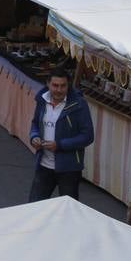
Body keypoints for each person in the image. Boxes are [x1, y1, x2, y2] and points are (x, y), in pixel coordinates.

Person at [26, 67, 95, 201]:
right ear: (48, 84)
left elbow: (87, 136)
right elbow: (35, 123)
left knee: (68, 211)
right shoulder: (42, 100)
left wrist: (60, 145)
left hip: (69, 169)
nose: (59, 90)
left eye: (63, 86)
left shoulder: (79, 104)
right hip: (44, 165)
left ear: (68, 86)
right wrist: (34, 137)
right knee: (34, 207)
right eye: (55, 85)